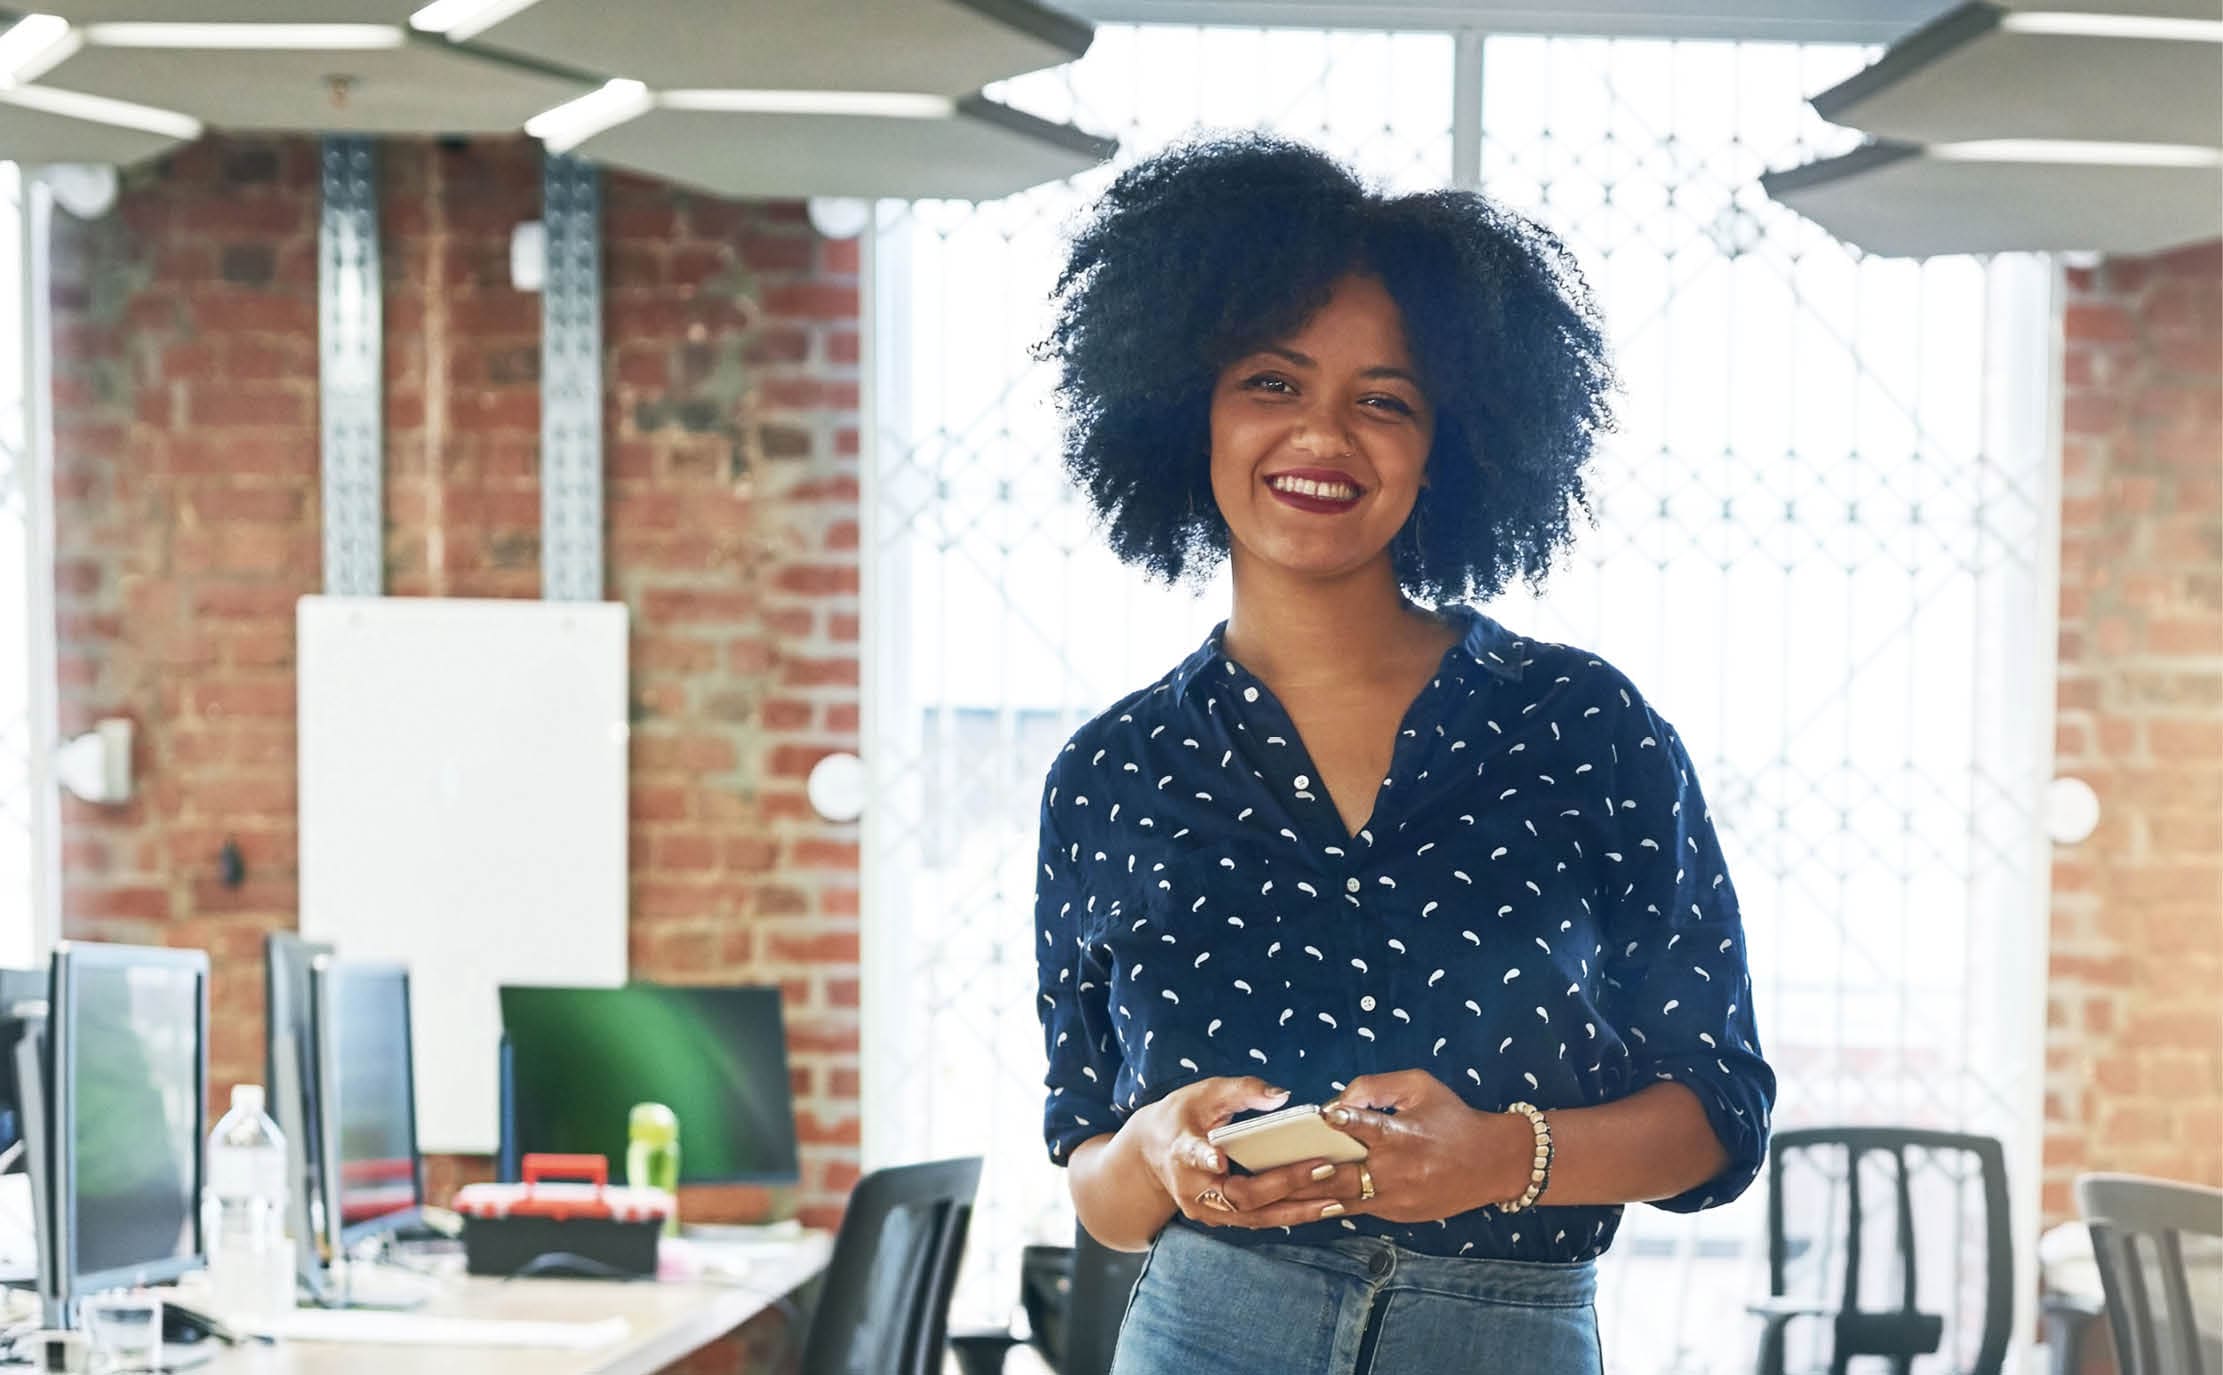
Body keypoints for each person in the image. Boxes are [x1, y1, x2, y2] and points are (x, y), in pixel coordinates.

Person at [1029, 131, 1777, 1373]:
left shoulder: (1586, 727)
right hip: (1204, 1333)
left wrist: (1505, 1155)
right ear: (1187, 412)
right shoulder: (1113, 771)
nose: (1323, 435)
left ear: (1450, 448)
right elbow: (1092, 1177)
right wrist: (1158, 1149)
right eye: (1272, 382)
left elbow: (1718, 1112)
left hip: (1506, 1338)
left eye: (1385, 400)